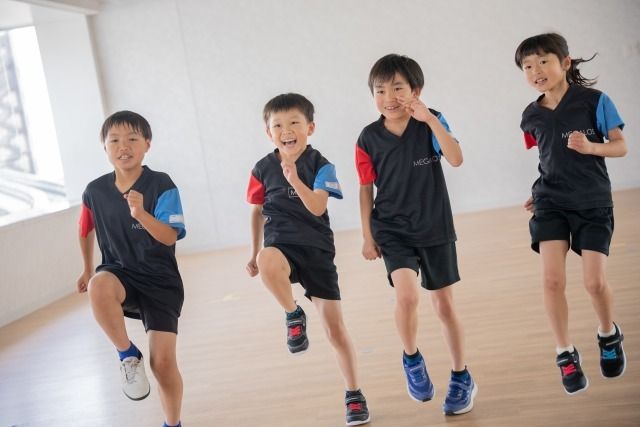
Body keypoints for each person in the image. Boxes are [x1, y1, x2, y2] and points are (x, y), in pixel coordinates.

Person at [356, 54, 477, 416]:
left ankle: (461, 376)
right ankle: (411, 359)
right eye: (380, 90)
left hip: (434, 226)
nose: (388, 97)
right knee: (407, 297)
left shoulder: (431, 121)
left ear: (416, 91)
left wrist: (430, 120)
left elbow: (456, 158)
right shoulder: (367, 138)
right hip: (392, 229)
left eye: (397, 88)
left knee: (444, 306)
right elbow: (365, 189)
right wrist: (367, 236)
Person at [246, 93, 370, 426]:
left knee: (335, 329)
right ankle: (293, 313)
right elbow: (256, 211)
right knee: (267, 259)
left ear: (310, 127)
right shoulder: (262, 168)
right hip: (280, 246)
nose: (286, 131)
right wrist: (253, 252)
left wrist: (295, 180)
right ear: (268, 132)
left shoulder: (321, 165)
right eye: (278, 125)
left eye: (294, 123)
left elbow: (317, 207)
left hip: (316, 251)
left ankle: (354, 394)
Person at [515, 33, 627, 395]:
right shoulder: (530, 116)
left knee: (594, 283)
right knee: (551, 281)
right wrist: (537, 192)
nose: (535, 71)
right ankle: (564, 353)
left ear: (565, 63)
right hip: (550, 203)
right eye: (527, 66)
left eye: (543, 61)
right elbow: (548, 157)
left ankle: (608, 335)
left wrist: (592, 147)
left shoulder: (595, 101)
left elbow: (621, 146)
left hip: (593, 202)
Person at [76, 111, 186, 427]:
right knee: (99, 284)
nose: (123, 146)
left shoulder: (162, 184)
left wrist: (141, 214)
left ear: (147, 144)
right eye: (114, 140)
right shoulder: (94, 191)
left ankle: (173, 423)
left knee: (162, 364)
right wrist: (87, 268)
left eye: (132, 139)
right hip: (120, 275)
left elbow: (169, 236)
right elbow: (84, 228)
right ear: (105, 147)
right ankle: (126, 354)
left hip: (161, 282)